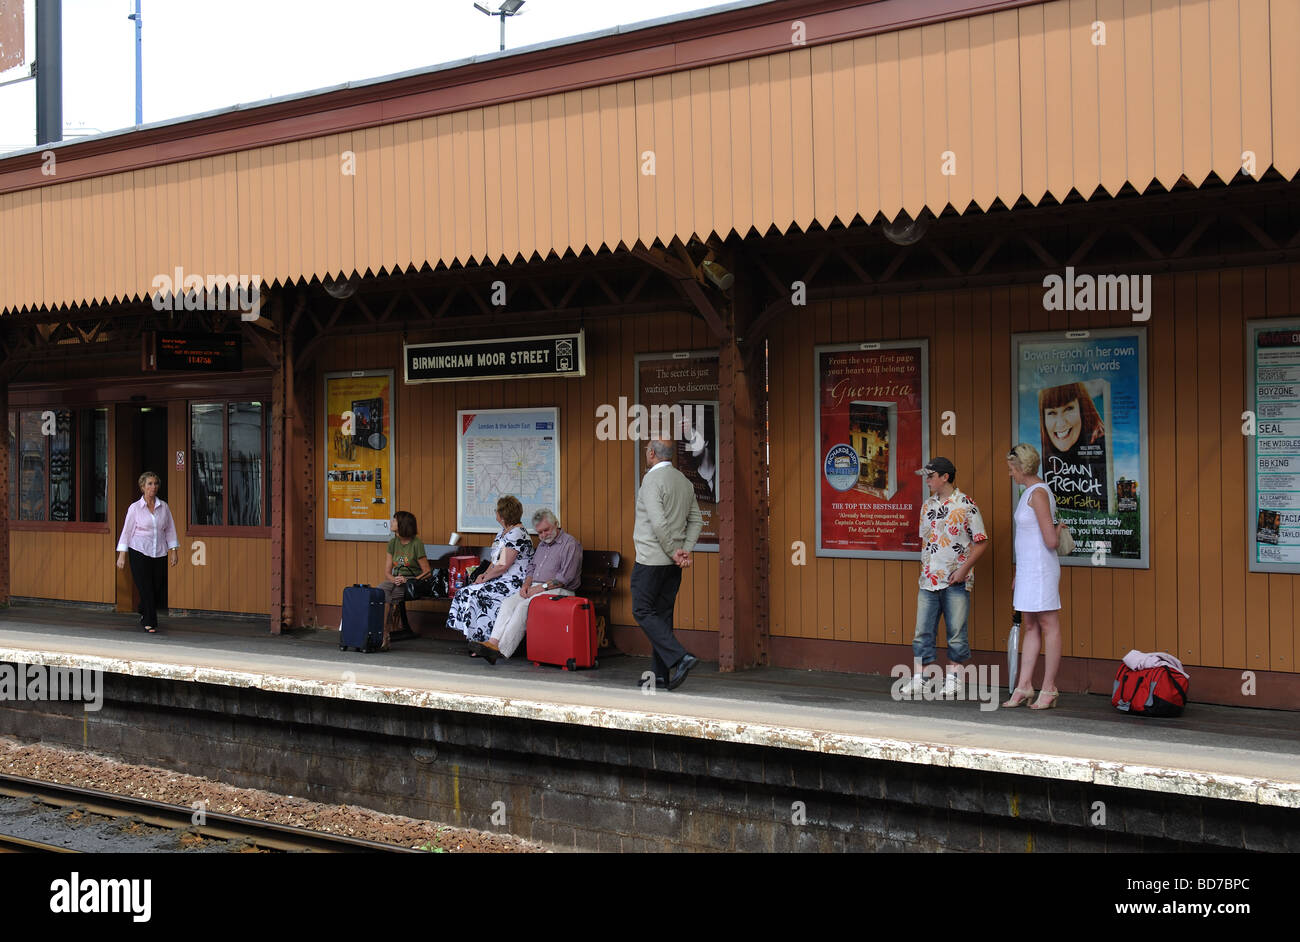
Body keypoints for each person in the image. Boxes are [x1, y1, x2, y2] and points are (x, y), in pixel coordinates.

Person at [903, 457, 988, 698]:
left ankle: (954, 679)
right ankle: (921, 677)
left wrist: (963, 570)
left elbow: (981, 542)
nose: (927, 481)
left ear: (945, 477)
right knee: (922, 631)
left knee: (956, 631)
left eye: (930, 476)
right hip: (928, 579)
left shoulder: (966, 505)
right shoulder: (927, 506)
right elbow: (927, 541)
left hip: (955, 580)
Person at [632, 438, 703, 690]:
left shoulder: (651, 480)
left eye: (645, 451)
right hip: (672, 565)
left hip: (651, 559)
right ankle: (659, 675)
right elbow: (697, 521)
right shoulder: (683, 481)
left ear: (651, 453)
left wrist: (674, 551)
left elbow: (658, 523)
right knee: (662, 615)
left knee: (641, 610)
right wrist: (684, 550)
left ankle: (680, 656)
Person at [469, 509, 583, 664]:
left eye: (546, 530)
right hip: (537, 587)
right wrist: (526, 584)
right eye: (539, 533)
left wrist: (539, 588)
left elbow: (565, 577)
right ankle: (493, 642)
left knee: (524, 607)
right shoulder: (543, 544)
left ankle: (501, 651)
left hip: (560, 590)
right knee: (508, 603)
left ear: (556, 524)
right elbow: (531, 567)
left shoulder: (570, 544)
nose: (543, 535)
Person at [1004, 443, 1067, 710]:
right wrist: (1019, 570)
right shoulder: (1029, 492)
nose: (1010, 474)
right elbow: (1028, 538)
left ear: (1021, 468)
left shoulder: (1038, 493)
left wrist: (1057, 527)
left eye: (1011, 469)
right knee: (1030, 624)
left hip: (1041, 569)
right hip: (1030, 568)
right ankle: (1025, 685)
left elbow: (1050, 541)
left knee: (1048, 624)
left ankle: (1050, 687)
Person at [446, 495, 534, 647]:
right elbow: (495, 561)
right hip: (499, 578)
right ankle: (474, 638)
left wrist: (486, 578)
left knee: (482, 595)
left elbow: (503, 565)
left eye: (496, 511)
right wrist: (483, 575)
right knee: (466, 592)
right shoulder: (503, 532)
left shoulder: (517, 534)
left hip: (513, 582)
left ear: (502, 515)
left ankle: (485, 641)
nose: (495, 513)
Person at [115, 471, 179, 633]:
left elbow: (170, 530)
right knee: (147, 588)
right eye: (149, 484)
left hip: (159, 551)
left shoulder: (163, 507)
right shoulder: (135, 508)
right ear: (142, 487)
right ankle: (150, 622)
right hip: (139, 550)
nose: (153, 487)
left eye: (155, 483)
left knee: (156, 588)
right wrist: (122, 554)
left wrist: (173, 551)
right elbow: (126, 531)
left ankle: (143, 608)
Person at [1038, 381, 1109, 512]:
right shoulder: (1047, 459)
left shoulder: (1101, 448)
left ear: (1083, 409)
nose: (1060, 423)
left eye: (1068, 409)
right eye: (1052, 413)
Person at [378, 510, 431, 648]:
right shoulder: (392, 543)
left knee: (388, 596)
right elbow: (387, 572)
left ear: (402, 524)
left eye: (394, 520)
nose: (391, 522)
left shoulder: (416, 543)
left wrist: (408, 580)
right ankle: (384, 633)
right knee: (379, 591)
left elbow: (427, 572)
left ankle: (384, 635)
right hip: (395, 580)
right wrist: (394, 579)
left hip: (411, 581)